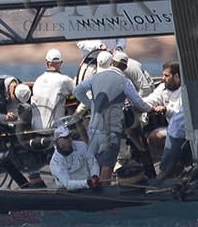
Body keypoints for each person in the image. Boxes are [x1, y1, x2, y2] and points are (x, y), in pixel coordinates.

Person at [74, 52, 150, 186]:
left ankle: (92, 193)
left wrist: (91, 104)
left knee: (95, 165)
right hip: (110, 131)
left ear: (112, 63)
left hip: (93, 130)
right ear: (125, 67)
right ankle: (103, 196)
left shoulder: (95, 77)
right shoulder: (124, 81)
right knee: (107, 166)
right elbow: (139, 103)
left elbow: (77, 91)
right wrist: (151, 108)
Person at [30, 49, 76, 132]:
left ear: (47, 63)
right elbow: (77, 91)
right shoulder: (64, 80)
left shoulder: (38, 80)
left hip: (35, 128)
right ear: (61, 63)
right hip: (54, 130)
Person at [47, 124, 101, 191]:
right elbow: (67, 184)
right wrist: (87, 183)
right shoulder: (55, 162)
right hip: (69, 193)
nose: (70, 139)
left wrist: (95, 175)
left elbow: (92, 163)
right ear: (58, 141)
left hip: (89, 187)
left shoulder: (82, 145)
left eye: (70, 136)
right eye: (66, 137)